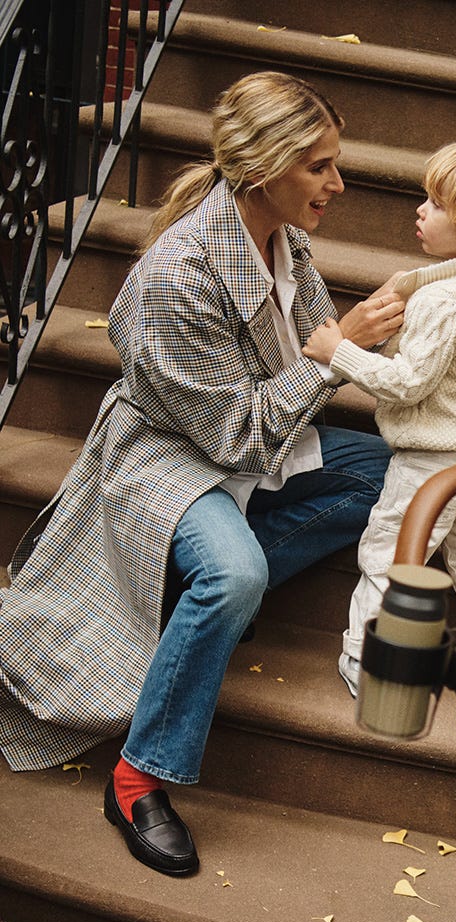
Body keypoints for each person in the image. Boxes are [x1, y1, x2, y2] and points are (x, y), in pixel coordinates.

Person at [0, 71, 405, 877]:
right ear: (262, 170)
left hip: (254, 436)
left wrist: (402, 335)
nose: (339, 182)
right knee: (235, 571)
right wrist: (338, 353)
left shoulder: (281, 236)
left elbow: (319, 338)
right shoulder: (178, 277)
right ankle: (138, 774)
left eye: (336, 162)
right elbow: (233, 434)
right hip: (166, 453)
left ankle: (190, 597)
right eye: (320, 165)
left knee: (382, 474)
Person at [303, 141, 456, 699]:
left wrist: (338, 350)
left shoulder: (446, 299)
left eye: (436, 204)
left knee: (391, 555)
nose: (420, 210)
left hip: (431, 464)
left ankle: (367, 658)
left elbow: (407, 383)